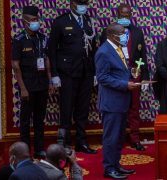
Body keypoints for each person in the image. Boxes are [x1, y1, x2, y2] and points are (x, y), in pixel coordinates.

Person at [48, 0, 97, 154]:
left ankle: (81, 142)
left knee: (83, 109)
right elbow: (51, 50)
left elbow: (93, 48)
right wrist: (54, 75)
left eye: (85, 2)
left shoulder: (89, 21)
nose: (84, 5)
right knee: (66, 109)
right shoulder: (60, 22)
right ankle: (65, 144)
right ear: (72, 3)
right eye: (80, 2)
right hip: (67, 73)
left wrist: (95, 72)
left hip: (86, 72)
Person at [100, 3, 148, 151]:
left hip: (134, 74)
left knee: (134, 108)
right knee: (118, 108)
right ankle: (117, 139)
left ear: (131, 16)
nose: (125, 18)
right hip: (116, 76)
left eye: (127, 16)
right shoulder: (108, 32)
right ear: (117, 15)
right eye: (122, 15)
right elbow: (104, 56)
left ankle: (135, 138)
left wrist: (144, 76)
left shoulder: (138, 32)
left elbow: (143, 56)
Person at [95, 23, 138, 179]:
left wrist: (130, 74)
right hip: (111, 103)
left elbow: (118, 71)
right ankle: (109, 168)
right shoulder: (104, 52)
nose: (125, 35)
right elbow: (103, 78)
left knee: (119, 137)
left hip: (122, 101)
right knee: (111, 137)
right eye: (122, 33)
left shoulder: (119, 48)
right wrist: (125, 84)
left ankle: (116, 165)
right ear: (112, 35)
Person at [11, 5, 53, 159]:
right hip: (27, 86)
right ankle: (25, 152)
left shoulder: (42, 38)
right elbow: (15, 65)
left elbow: (47, 59)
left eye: (37, 19)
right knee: (25, 121)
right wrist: (22, 88)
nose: (36, 22)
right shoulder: (19, 40)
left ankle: (39, 149)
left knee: (39, 119)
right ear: (24, 22)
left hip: (41, 84)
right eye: (32, 20)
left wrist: (49, 81)